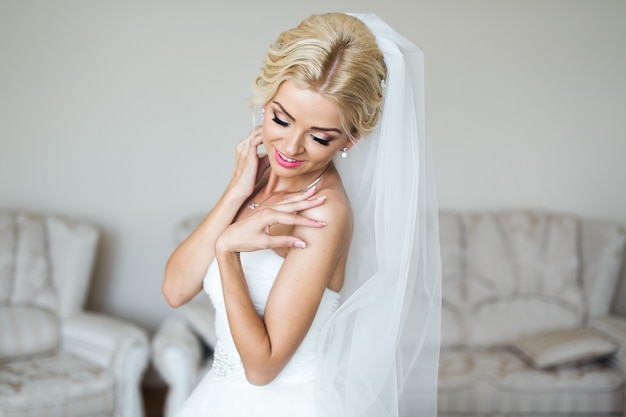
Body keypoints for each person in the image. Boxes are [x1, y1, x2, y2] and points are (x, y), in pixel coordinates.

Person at [162, 12, 441, 417]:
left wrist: (227, 252)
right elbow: (175, 290)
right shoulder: (256, 181)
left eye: (319, 136)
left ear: (351, 138)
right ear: (267, 96)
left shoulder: (324, 213)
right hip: (219, 397)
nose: (290, 148)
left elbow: (262, 367)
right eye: (280, 118)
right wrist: (235, 193)